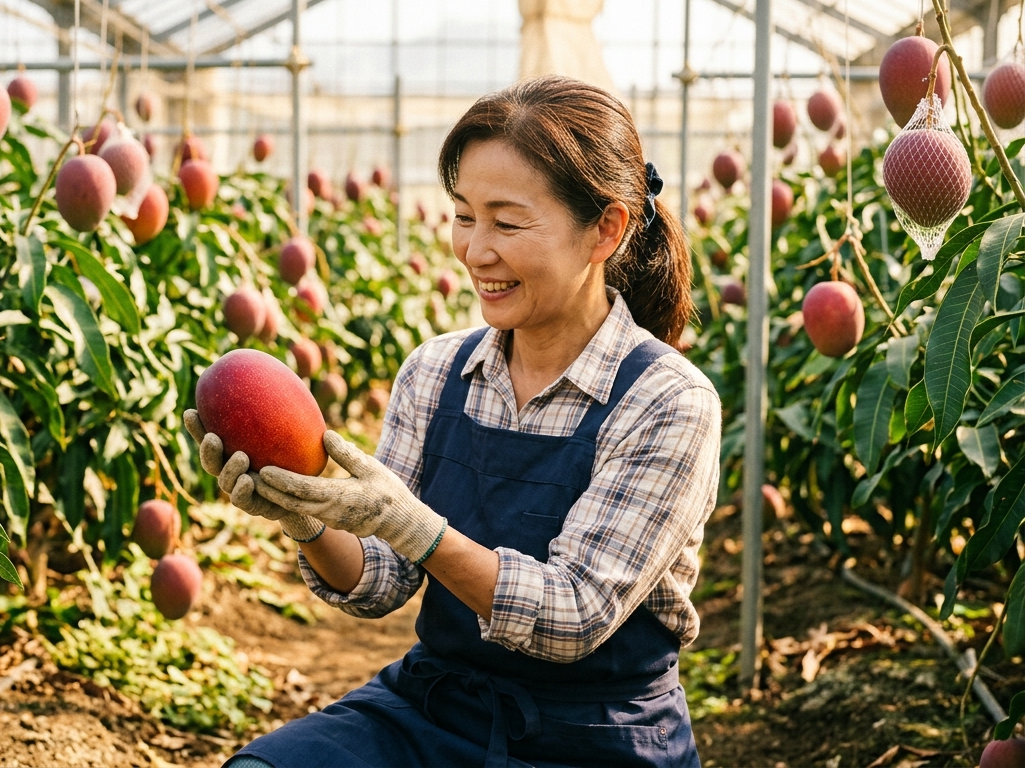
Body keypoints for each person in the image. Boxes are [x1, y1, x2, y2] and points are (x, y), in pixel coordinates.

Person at [184, 75, 721, 768]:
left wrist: (416, 527)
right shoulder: (437, 372)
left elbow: (574, 614)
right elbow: (381, 580)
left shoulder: (667, 400)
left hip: (597, 738)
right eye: (464, 215)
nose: (474, 250)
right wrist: (305, 516)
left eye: (507, 222)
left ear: (605, 230)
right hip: (436, 710)